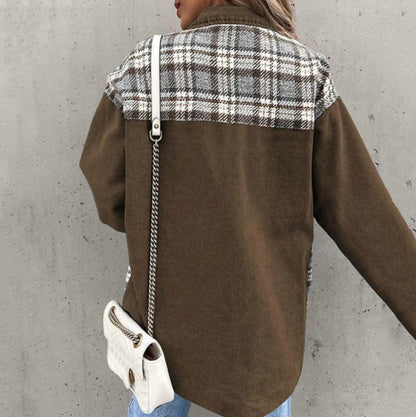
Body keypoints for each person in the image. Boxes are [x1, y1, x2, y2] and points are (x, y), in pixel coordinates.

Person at [79, 1, 416, 417]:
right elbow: (366, 219)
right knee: (267, 389)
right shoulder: (304, 76)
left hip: (163, 326)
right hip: (264, 334)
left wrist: (171, 222)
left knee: (155, 398)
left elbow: (106, 189)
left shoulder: (145, 67)